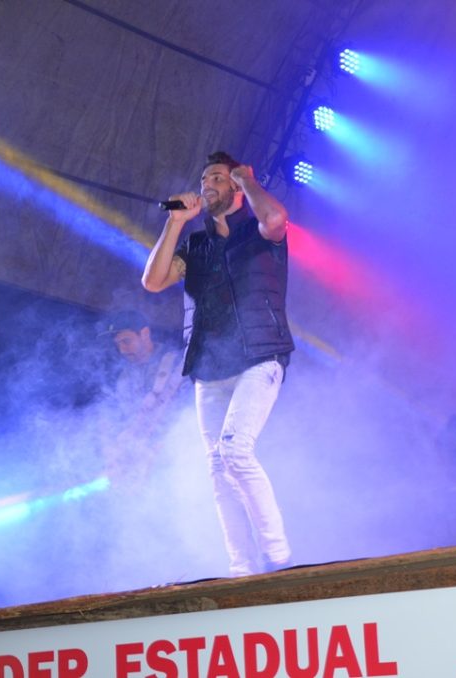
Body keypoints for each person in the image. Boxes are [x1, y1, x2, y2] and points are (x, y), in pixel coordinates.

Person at [142, 151, 295, 576]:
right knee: (217, 466)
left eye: (216, 178)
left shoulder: (258, 232)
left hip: (260, 356)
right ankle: (242, 567)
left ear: (236, 185)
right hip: (210, 366)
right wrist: (176, 222)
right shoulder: (195, 245)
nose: (206, 184)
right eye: (203, 179)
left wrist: (247, 180)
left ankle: (278, 557)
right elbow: (152, 280)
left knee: (234, 450)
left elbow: (276, 218)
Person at [98, 309, 187, 487]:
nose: (122, 350)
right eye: (118, 344)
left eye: (126, 341)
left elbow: (188, 413)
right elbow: (122, 417)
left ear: (145, 334)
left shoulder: (178, 364)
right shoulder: (124, 376)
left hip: (175, 460)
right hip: (139, 465)